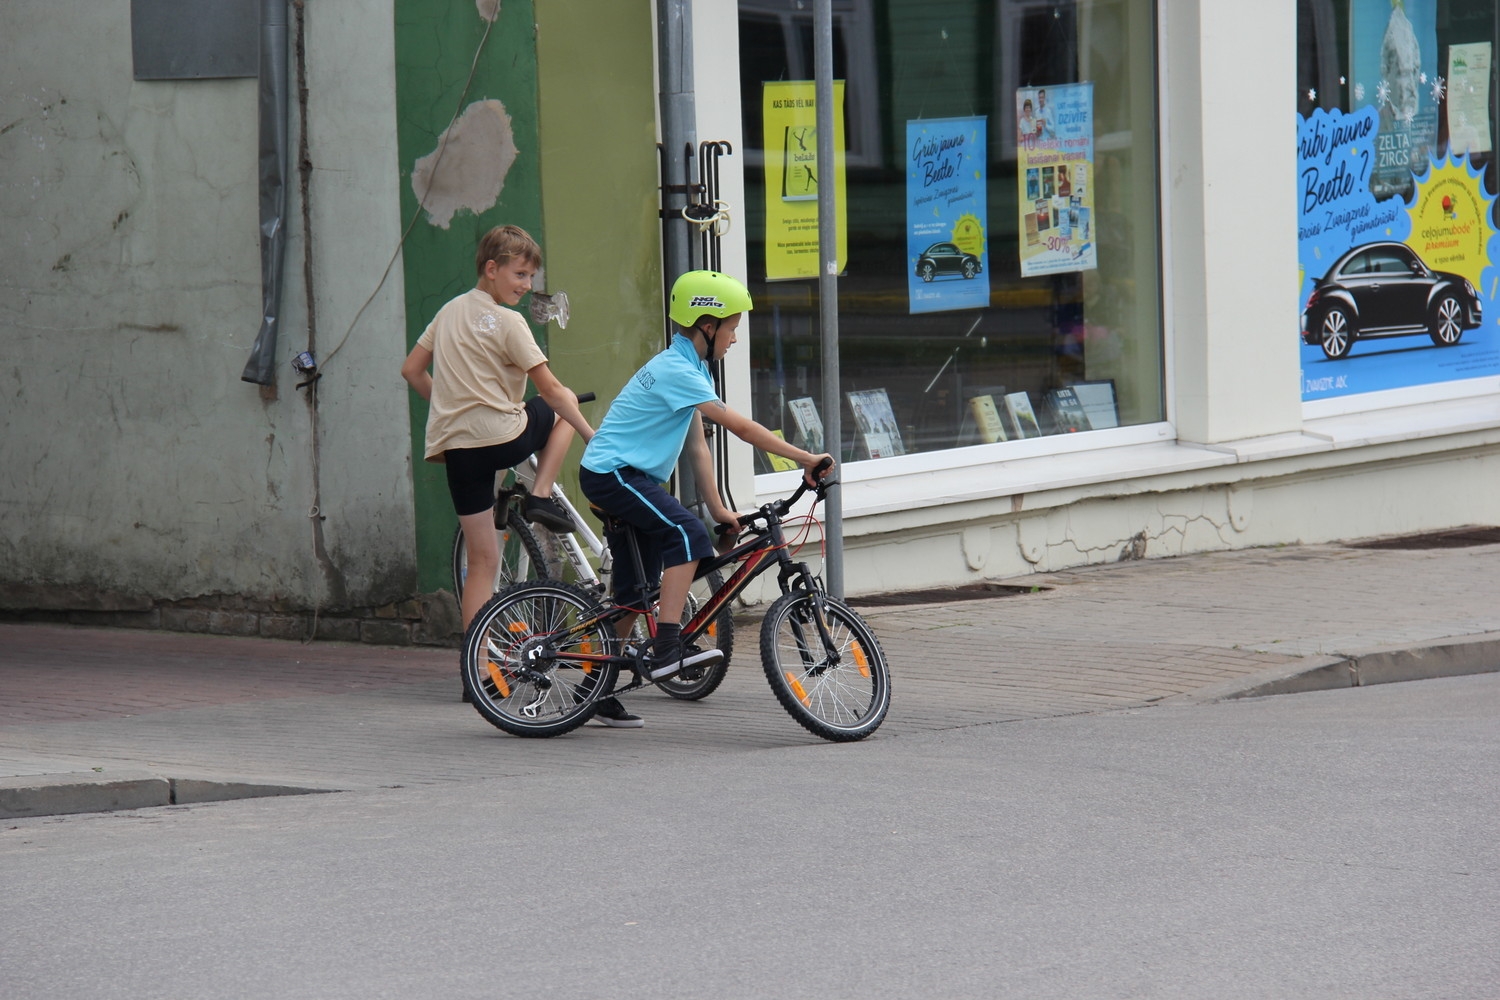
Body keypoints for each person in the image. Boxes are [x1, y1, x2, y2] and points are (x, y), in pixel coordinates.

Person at [578, 270, 834, 727]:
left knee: (635, 594)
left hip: (629, 477)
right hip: (612, 474)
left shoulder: (689, 369)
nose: (735, 338)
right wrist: (805, 457)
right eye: (732, 328)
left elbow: (697, 445)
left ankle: (592, 690)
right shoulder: (676, 370)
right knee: (687, 532)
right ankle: (667, 648)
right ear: (707, 325)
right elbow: (741, 427)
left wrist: (719, 508)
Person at [400, 224, 593, 626]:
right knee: (566, 403)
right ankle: (540, 495)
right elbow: (553, 391)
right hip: (504, 439)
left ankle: (478, 669)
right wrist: (595, 438)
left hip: (456, 450)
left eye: (530, 277)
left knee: (483, 561)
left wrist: (452, 405)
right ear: (492, 268)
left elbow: (412, 370)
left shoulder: (448, 311)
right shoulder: (508, 321)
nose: (526, 285)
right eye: (519, 274)